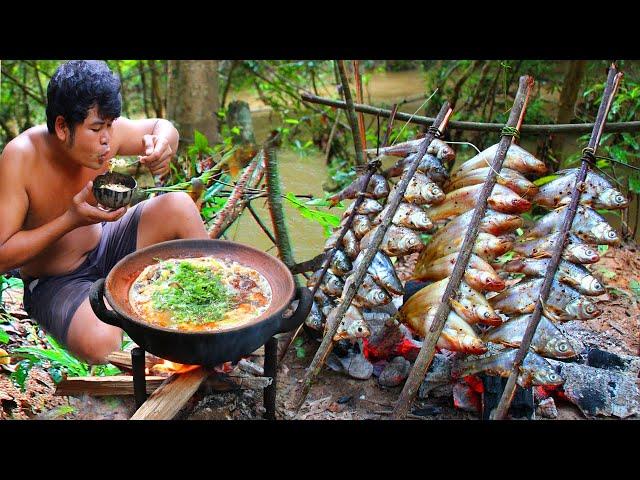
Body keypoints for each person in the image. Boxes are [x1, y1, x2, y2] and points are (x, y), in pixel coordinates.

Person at [0, 60, 209, 364]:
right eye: (97, 128)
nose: (107, 139)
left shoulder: (106, 135)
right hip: (55, 281)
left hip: (106, 242)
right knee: (103, 342)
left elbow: (160, 127)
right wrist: (70, 220)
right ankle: (161, 352)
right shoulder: (20, 158)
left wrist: (162, 144)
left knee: (178, 206)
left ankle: (211, 320)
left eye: (111, 125)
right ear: (62, 127)